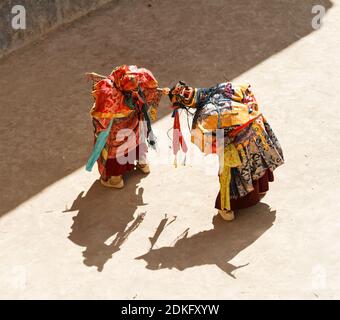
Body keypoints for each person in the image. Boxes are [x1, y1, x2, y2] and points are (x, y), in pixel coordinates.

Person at [169, 81, 284, 221]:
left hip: (236, 145)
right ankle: (261, 188)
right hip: (256, 130)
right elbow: (248, 93)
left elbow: (206, 144)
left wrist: (226, 142)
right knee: (257, 161)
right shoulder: (224, 87)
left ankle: (226, 208)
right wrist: (250, 114)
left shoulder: (201, 118)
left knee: (227, 176)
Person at [85, 65, 168, 188]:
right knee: (138, 138)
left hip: (118, 133)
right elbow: (152, 92)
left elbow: (101, 119)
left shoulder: (111, 95)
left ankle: (116, 180)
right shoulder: (141, 83)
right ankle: (143, 164)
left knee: (116, 148)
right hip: (135, 123)